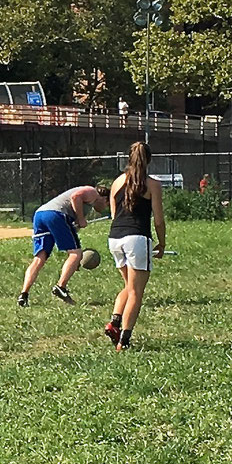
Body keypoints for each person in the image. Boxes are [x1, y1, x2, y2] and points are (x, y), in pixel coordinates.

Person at [102, 143, 166, 350]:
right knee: (137, 292)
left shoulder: (117, 182)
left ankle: (114, 323)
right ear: (148, 160)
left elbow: (113, 215)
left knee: (129, 287)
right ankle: (125, 340)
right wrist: (162, 243)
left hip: (115, 238)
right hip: (137, 238)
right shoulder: (152, 185)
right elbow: (158, 220)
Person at [19, 183, 109, 307]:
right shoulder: (93, 192)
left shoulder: (88, 204)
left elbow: (69, 226)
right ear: (104, 198)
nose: (105, 207)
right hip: (55, 214)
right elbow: (75, 197)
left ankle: (23, 295)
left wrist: (77, 222)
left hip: (40, 215)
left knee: (39, 258)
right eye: (107, 204)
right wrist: (81, 219)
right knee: (75, 254)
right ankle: (61, 287)